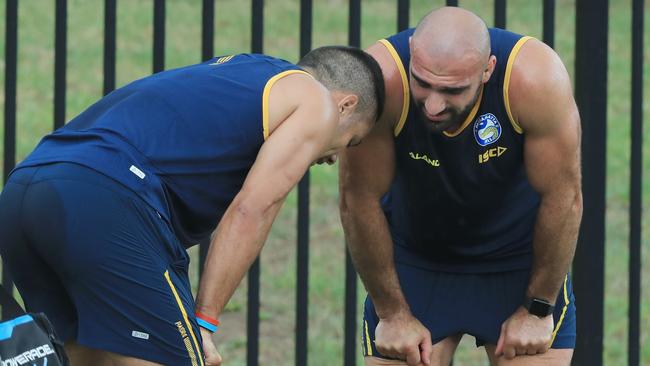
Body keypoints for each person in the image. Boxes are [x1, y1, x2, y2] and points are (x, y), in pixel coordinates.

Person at [0, 46, 384, 366]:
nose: (334, 159)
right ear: (346, 106)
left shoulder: (241, 73)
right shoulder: (317, 101)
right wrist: (203, 322)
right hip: (102, 197)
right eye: (351, 143)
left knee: (86, 357)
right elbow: (253, 209)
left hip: (24, 191)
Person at [339, 7, 582, 366]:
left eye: (451, 90)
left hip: (518, 264)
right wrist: (391, 314)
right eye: (422, 83)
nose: (433, 105)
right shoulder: (383, 78)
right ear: (412, 55)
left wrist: (538, 307)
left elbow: (564, 197)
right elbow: (359, 199)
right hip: (416, 263)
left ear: (488, 70)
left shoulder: (534, 79)